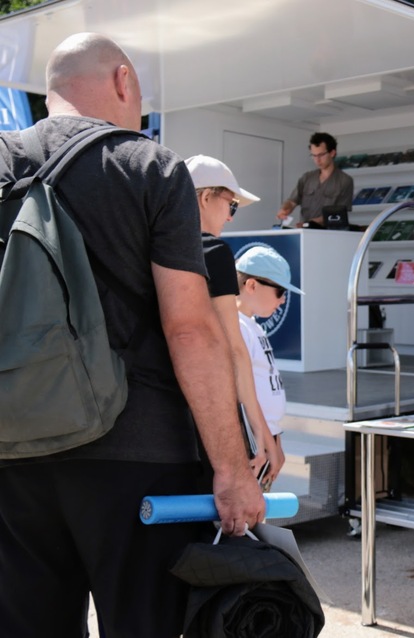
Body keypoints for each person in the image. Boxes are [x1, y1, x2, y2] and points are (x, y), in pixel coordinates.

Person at [0, 33, 264, 637]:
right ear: (123, 80)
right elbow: (190, 329)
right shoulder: (149, 166)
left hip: (13, 449)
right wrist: (231, 468)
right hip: (138, 456)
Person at [186, 154, 285, 487]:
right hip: (205, 418)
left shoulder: (150, 247)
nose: (230, 217)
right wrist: (261, 435)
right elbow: (234, 350)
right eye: (231, 205)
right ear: (205, 197)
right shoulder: (213, 252)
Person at [235, 245, 305, 487]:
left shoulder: (253, 326)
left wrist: (276, 440)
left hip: (265, 437)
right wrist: (268, 444)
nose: (283, 299)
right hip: (253, 439)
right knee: (248, 506)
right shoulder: (238, 327)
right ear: (251, 285)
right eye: (279, 291)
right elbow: (246, 393)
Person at [276, 132, 354, 228]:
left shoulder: (345, 180)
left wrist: (312, 223)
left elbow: (339, 214)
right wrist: (285, 209)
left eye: (321, 155)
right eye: (314, 155)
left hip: (328, 232)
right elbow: (292, 201)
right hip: (305, 231)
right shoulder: (307, 178)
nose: (317, 160)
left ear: (332, 153)